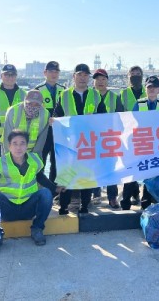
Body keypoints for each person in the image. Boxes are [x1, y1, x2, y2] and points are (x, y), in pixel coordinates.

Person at [0, 130, 65, 253]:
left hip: (28, 208)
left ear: (27, 146)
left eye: (22, 143)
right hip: (7, 209)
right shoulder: (0, 163)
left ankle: (37, 229)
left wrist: (55, 188)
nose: (18, 147)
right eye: (15, 143)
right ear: (9, 146)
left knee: (46, 194)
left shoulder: (35, 160)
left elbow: (40, 177)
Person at [54, 63, 104, 215]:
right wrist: (54, 121)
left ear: (89, 77)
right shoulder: (64, 95)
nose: (82, 78)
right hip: (69, 142)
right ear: (73, 76)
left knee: (86, 173)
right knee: (67, 174)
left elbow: (103, 116)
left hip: (88, 142)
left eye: (85, 75)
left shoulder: (95, 95)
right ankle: (64, 206)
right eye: (79, 75)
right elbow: (58, 116)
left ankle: (85, 206)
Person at [131, 75, 159, 209]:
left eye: (154, 87)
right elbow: (131, 121)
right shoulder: (139, 104)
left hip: (158, 144)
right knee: (144, 172)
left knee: (157, 172)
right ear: (146, 89)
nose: (151, 90)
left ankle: (156, 199)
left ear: (158, 89)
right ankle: (144, 200)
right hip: (143, 143)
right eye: (149, 87)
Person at [93, 68, 122, 209]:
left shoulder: (114, 97)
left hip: (110, 138)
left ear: (107, 81)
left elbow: (122, 116)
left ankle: (112, 197)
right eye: (97, 79)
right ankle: (95, 194)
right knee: (94, 167)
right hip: (91, 138)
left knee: (111, 168)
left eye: (103, 79)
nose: (100, 82)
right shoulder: (89, 96)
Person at [118, 65, 146, 208]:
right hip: (128, 135)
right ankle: (126, 200)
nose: (135, 76)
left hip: (145, 136)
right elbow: (118, 113)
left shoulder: (148, 91)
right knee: (129, 167)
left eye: (138, 73)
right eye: (132, 74)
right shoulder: (123, 94)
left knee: (144, 167)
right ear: (128, 76)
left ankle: (139, 195)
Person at [34, 61, 66, 182]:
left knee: (56, 161)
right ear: (45, 73)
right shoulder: (37, 91)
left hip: (59, 133)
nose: (54, 74)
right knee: (39, 161)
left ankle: (54, 191)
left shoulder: (64, 91)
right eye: (51, 71)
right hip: (42, 132)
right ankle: (39, 188)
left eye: (56, 71)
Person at [0, 64, 26, 157]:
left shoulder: (24, 94)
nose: (10, 77)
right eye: (6, 75)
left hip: (18, 138)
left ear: (16, 76)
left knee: (15, 167)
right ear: (1, 76)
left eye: (12, 75)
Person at [2, 90, 49, 154]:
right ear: (24, 101)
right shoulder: (13, 111)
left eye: (36, 104)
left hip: (32, 153)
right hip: (13, 152)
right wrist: (9, 157)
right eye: (30, 103)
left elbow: (41, 140)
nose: (33, 107)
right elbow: (7, 137)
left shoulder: (45, 114)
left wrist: (35, 157)